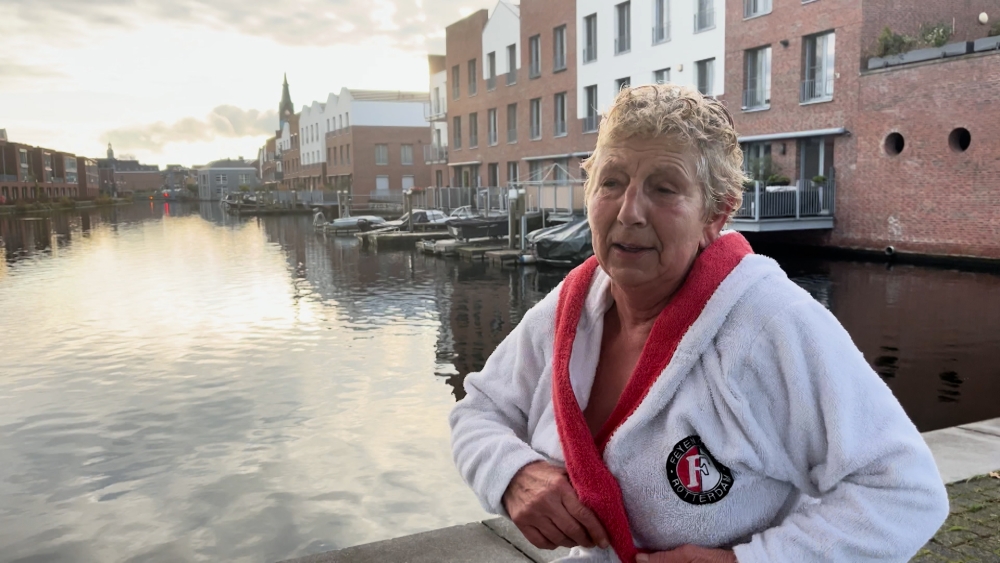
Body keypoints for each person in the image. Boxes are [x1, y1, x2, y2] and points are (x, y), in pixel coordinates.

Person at [449, 84, 948, 563]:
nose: (629, 212)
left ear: (717, 213)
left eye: (664, 189)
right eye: (612, 182)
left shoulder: (769, 324)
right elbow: (480, 410)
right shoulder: (569, 310)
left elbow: (905, 490)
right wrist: (512, 473)